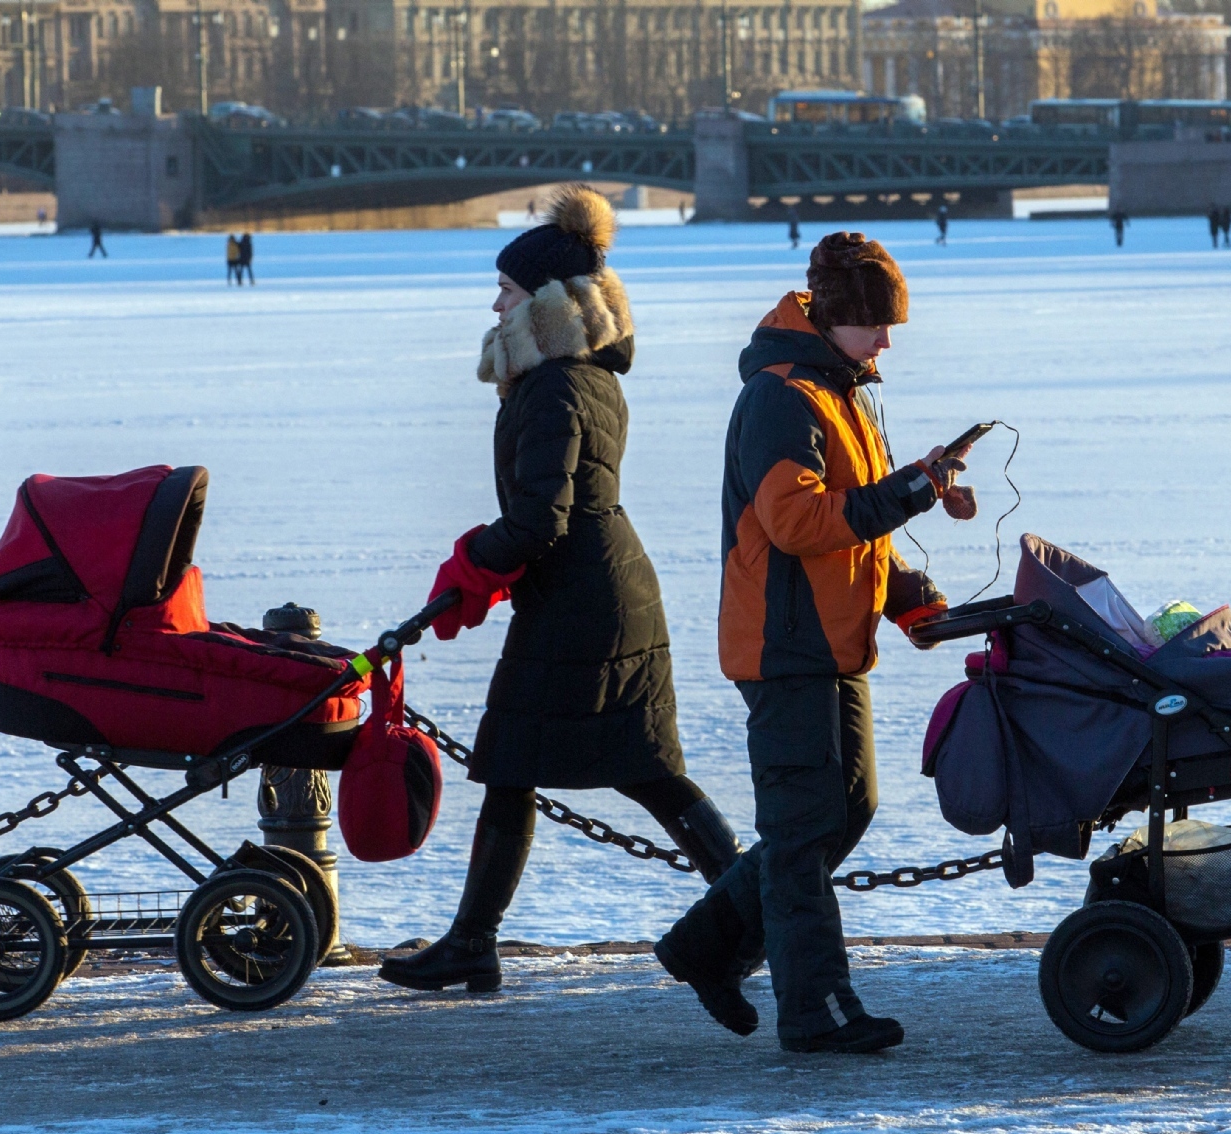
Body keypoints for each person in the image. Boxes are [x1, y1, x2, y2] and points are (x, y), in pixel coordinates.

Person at [379, 185, 745, 995]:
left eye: (506, 289)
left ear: (543, 299)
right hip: (598, 591)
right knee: (596, 767)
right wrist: (490, 563)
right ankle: (476, 939)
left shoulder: (552, 387)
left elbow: (540, 521)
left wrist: (471, 562)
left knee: (608, 768)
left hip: (585, 605)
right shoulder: (581, 375)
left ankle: (758, 908)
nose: (494, 300)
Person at [654, 231, 978, 1055]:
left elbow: (856, 526)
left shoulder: (842, 391)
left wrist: (911, 601)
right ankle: (816, 1010)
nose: (886, 340)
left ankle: (704, 945)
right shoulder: (781, 396)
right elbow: (797, 521)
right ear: (835, 318)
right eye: (875, 324)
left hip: (834, 641)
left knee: (847, 808)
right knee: (802, 832)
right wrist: (909, 490)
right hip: (783, 643)